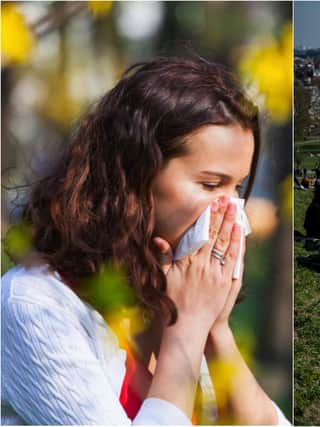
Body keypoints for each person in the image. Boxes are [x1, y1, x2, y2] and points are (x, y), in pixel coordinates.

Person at [1, 58, 288, 424]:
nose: (232, 211)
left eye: (239, 187)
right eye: (212, 185)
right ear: (135, 176)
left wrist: (215, 327)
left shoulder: (175, 297)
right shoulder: (34, 305)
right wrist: (187, 331)